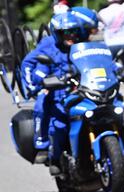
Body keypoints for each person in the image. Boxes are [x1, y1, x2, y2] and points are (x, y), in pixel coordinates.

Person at [21, 11, 88, 175]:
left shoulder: (82, 44)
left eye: (75, 31)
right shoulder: (47, 45)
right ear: (57, 33)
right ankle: (43, 146)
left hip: (80, 88)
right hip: (53, 88)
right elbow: (30, 64)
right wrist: (34, 84)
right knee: (42, 107)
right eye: (66, 32)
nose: (72, 35)